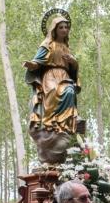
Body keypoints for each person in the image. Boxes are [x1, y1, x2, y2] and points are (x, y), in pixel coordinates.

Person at [23, 9, 81, 164]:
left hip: (64, 76)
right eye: (61, 27)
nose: (64, 30)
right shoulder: (47, 44)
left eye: (66, 27)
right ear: (55, 29)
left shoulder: (67, 48)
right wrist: (31, 64)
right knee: (54, 91)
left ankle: (65, 127)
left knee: (69, 91)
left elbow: (74, 69)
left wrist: (74, 62)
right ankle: (50, 125)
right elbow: (38, 61)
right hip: (50, 76)